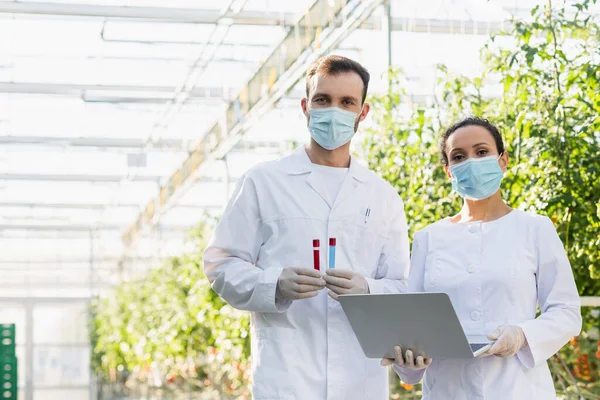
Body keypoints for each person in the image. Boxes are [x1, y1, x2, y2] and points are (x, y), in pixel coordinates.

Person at [203, 55, 410, 400]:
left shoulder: (384, 197)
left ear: (363, 112)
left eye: (347, 102)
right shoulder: (263, 182)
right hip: (286, 378)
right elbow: (219, 263)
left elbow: (403, 286)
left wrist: (369, 290)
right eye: (323, 100)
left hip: (360, 380)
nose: (334, 111)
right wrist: (274, 283)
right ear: (305, 107)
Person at [382, 117, 582, 399]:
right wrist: (408, 365)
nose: (471, 162)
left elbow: (566, 312)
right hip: (448, 390)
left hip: (517, 388)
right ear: (449, 172)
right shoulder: (428, 238)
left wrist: (523, 335)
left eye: (482, 152)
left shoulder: (535, 229)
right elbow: (415, 327)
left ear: (503, 161)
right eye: (459, 157)